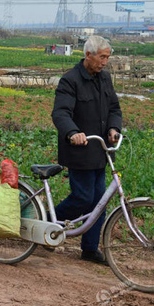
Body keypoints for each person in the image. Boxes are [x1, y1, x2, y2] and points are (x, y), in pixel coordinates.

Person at [51, 35, 122, 265]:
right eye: (102, 57)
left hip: (100, 151)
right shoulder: (70, 80)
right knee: (83, 197)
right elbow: (60, 113)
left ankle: (90, 249)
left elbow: (114, 108)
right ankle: (49, 221)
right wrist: (73, 133)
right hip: (79, 151)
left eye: (107, 58)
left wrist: (113, 128)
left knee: (99, 201)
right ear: (88, 55)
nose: (105, 62)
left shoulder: (105, 79)